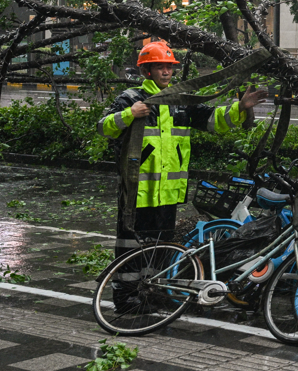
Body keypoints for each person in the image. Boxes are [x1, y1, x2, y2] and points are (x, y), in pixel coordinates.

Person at [98, 41, 266, 260]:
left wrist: (240, 108)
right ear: (145, 70)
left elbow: (212, 120)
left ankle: (154, 291)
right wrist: (129, 113)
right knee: (131, 251)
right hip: (137, 195)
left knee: (163, 250)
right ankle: (128, 293)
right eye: (160, 67)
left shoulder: (181, 101)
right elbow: (103, 127)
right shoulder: (131, 99)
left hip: (168, 194)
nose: (166, 71)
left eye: (169, 66)